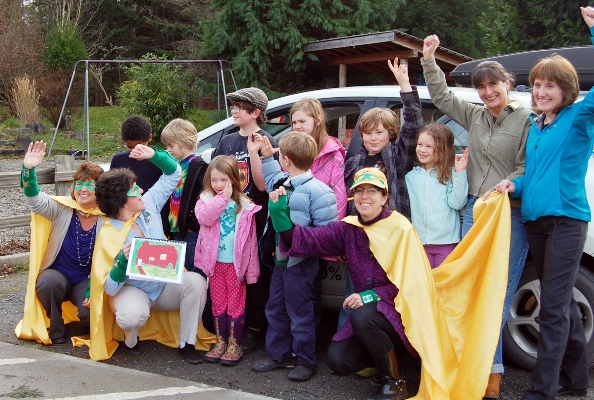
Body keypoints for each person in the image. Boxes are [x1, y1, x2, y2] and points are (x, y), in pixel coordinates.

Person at [491, 8, 594, 399]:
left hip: (566, 221)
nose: (541, 91)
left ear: (566, 89)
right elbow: (534, 174)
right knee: (562, 302)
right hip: (535, 220)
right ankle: (577, 381)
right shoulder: (537, 125)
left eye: (550, 86)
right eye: (536, 85)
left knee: (551, 308)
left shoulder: (580, 117)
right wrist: (513, 186)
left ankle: (542, 390)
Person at [421, 34, 533, 397]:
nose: (486, 92)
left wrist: (509, 184)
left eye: (492, 85)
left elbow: (527, 166)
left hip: (509, 213)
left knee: (497, 293)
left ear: (507, 84)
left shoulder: (527, 118)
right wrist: (428, 59)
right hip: (474, 211)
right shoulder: (475, 114)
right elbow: (440, 96)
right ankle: (479, 369)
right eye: (481, 86)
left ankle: (489, 373)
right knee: (472, 291)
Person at [96, 144, 208, 364]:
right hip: (134, 290)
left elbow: (174, 173)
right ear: (121, 200)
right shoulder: (108, 234)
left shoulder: (149, 204)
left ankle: (187, 343)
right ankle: (130, 336)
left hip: (165, 285)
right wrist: (121, 263)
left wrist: (155, 155)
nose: (140, 191)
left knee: (196, 281)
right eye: (134, 189)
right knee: (129, 317)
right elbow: (109, 288)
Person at [340, 58, 424, 332]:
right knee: (352, 295)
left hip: (390, 240)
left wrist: (405, 86)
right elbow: (348, 204)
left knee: (385, 296)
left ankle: (384, 347)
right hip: (360, 242)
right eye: (368, 133)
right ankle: (347, 345)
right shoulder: (354, 162)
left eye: (380, 132)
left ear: (391, 134)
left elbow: (413, 125)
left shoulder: (398, 158)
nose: (373, 138)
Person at [251, 131, 337, 382]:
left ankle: (306, 359)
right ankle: (279, 354)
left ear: (286, 160)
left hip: (301, 264)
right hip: (280, 261)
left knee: (300, 312)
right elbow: (270, 178)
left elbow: (325, 236)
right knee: (275, 307)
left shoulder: (319, 191)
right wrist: (267, 158)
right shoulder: (284, 182)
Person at [18, 141, 105, 345]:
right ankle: (56, 329)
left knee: (90, 315)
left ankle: (85, 322)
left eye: (90, 184)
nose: (83, 189)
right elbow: (34, 199)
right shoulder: (62, 208)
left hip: (86, 279)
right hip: (58, 275)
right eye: (79, 184)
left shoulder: (107, 217)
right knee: (47, 283)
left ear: (100, 189)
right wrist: (29, 169)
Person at [214, 87, 277, 353]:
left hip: (256, 219)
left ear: (256, 113)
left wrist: (254, 152)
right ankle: (228, 327)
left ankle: (254, 329)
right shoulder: (227, 141)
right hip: (229, 220)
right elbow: (215, 177)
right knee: (230, 274)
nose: (235, 110)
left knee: (256, 274)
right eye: (234, 106)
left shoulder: (266, 140)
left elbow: (262, 187)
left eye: (241, 106)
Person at [195, 155, 260, 366]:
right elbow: (205, 218)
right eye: (214, 180)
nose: (219, 185)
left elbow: (251, 243)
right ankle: (220, 342)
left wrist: (252, 272)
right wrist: (222, 199)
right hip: (215, 264)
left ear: (234, 179)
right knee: (218, 304)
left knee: (235, 305)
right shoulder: (205, 200)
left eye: (224, 180)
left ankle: (235, 343)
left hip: (236, 265)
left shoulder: (245, 205)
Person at [289, 97, 347, 330]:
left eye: (302, 121)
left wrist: (332, 236)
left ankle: (307, 345)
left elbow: (339, 195)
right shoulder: (292, 147)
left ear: (318, 120)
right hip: (294, 229)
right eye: (293, 122)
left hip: (318, 232)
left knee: (311, 291)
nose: (297, 126)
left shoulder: (332, 153)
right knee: (296, 290)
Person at [160, 118, 213, 332]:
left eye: (171, 145)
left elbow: (202, 198)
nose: (168, 150)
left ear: (183, 142)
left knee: (194, 276)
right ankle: (175, 325)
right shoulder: (172, 167)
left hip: (190, 234)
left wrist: (192, 224)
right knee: (175, 277)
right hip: (174, 232)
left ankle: (197, 325)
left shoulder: (199, 167)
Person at [405, 124, 468, 268]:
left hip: (446, 243)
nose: (422, 150)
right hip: (418, 243)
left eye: (429, 146)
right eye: (420, 144)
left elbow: (457, 203)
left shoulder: (449, 175)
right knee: (424, 287)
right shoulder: (410, 177)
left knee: (443, 287)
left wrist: (459, 173)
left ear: (441, 149)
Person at [109, 115, 162, 193]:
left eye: (140, 146)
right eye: (130, 147)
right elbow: (112, 187)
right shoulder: (118, 159)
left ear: (150, 138)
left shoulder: (159, 161)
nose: (135, 151)